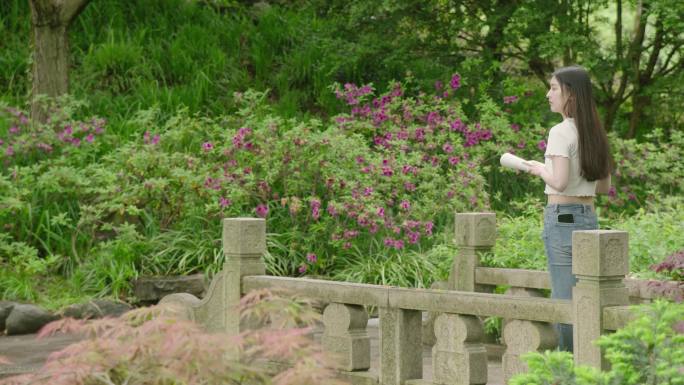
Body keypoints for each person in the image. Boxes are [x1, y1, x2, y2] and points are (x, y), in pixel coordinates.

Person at [523, 65, 613, 352]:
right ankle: (592, 363)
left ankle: (569, 370)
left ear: (570, 94)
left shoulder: (560, 132)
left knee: (565, 300)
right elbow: (602, 188)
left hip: (561, 220)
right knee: (589, 297)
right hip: (589, 219)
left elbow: (559, 182)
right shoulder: (595, 132)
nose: (548, 94)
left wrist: (539, 169)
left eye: (554, 88)